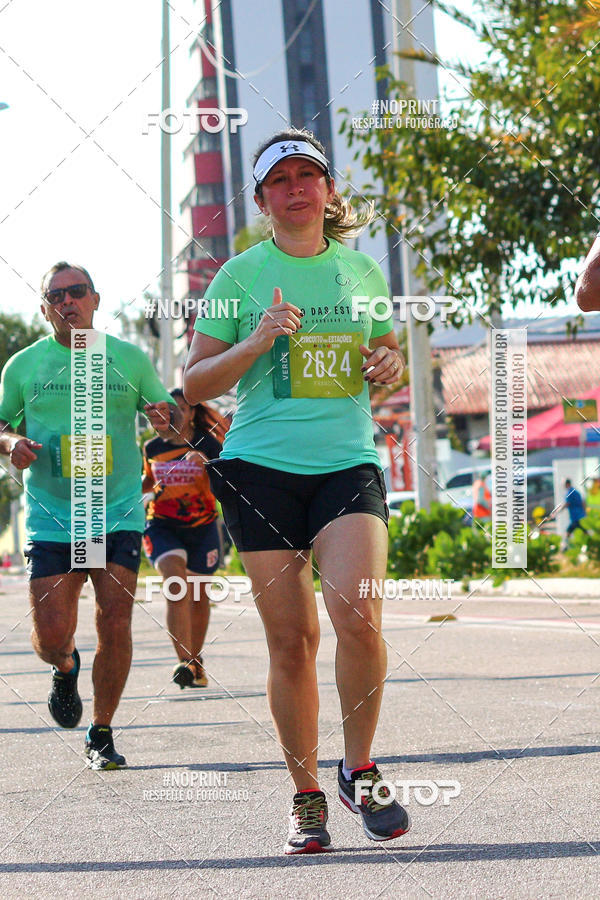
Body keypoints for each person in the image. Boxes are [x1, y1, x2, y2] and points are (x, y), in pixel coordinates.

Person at [184, 128, 410, 854]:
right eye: (279, 180)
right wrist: (256, 343)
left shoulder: (361, 274)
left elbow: (389, 357)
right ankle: (307, 794)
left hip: (347, 462)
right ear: (261, 199)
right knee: (292, 641)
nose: (296, 188)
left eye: (307, 176)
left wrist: (387, 364)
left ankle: (361, 767)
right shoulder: (237, 278)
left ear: (328, 190)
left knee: (359, 619)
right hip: (260, 471)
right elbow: (194, 382)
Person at [0, 262, 180, 769]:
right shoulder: (24, 366)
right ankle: (64, 664)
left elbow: (167, 411)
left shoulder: (126, 358)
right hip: (54, 515)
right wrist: (12, 442)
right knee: (51, 634)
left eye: (76, 292)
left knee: (115, 618)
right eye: (56, 296)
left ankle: (101, 732)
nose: (68, 301)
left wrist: (166, 415)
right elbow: (0, 424)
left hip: (116, 511)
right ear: (44, 309)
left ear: (96, 299)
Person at [142, 388, 228, 688]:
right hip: (162, 524)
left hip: (203, 526)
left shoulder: (208, 443)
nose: (173, 415)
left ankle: (194, 660)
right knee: (175, 583)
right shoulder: (153, 447)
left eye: (179, 408)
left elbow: (226, 484)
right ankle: (184, 661)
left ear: (192, 412)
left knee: (198, 594)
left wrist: (206, 461)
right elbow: (149, 482)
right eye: (168, 410)